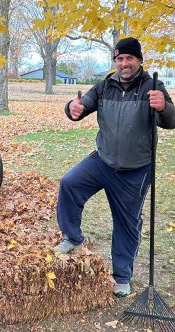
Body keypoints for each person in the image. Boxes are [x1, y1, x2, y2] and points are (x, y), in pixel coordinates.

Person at [52, 37, 175, 297]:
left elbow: (171, 120)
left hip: (136, 169)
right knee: (69, 183)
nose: (124, 63)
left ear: (139, 60)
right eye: (119, 59)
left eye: (129, 58)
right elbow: (80, 106)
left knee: (126, 224)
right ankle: (72, 237)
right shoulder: (104, 86)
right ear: (115, 62)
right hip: (103, 160)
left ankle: (121, 276)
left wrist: (163, 107)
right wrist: (71, 108)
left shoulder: (152, 86)